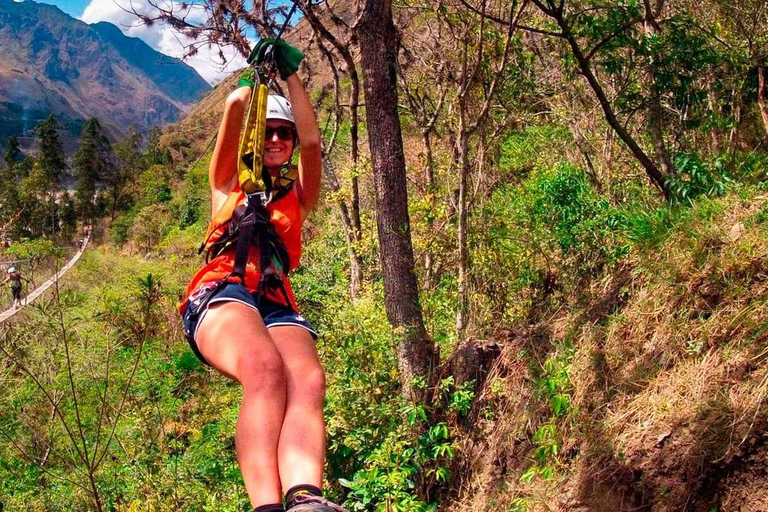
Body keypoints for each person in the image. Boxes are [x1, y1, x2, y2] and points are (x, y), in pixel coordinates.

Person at [179, 39, 346, 512]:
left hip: (274, 298)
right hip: (221, 291)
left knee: (308, 378)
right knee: (265, 369)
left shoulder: (298, 195)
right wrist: (253, 80)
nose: (276, 140)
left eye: (283, 134)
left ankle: (305, 498)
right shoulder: (227, 183)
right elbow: (234, 106)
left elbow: (313, 144)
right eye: (268, 132)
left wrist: (291, 77)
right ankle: (267, 505)